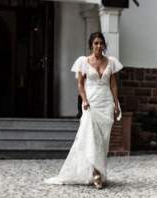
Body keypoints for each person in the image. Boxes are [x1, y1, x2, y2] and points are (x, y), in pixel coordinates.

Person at [45, 32, 122, 189]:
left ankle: (99, 169)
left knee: (103, 140)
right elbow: (80, 83)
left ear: (104, 45)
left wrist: (116, 103)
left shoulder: (111, 62)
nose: (99, 46)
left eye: (101, 43)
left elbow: (113, 84)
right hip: (91, 103)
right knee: (91, 137)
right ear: (90, 45)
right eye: (96, 43)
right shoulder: (83, 62)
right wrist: (84, 100)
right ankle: (96, 173)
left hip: (106, 103)